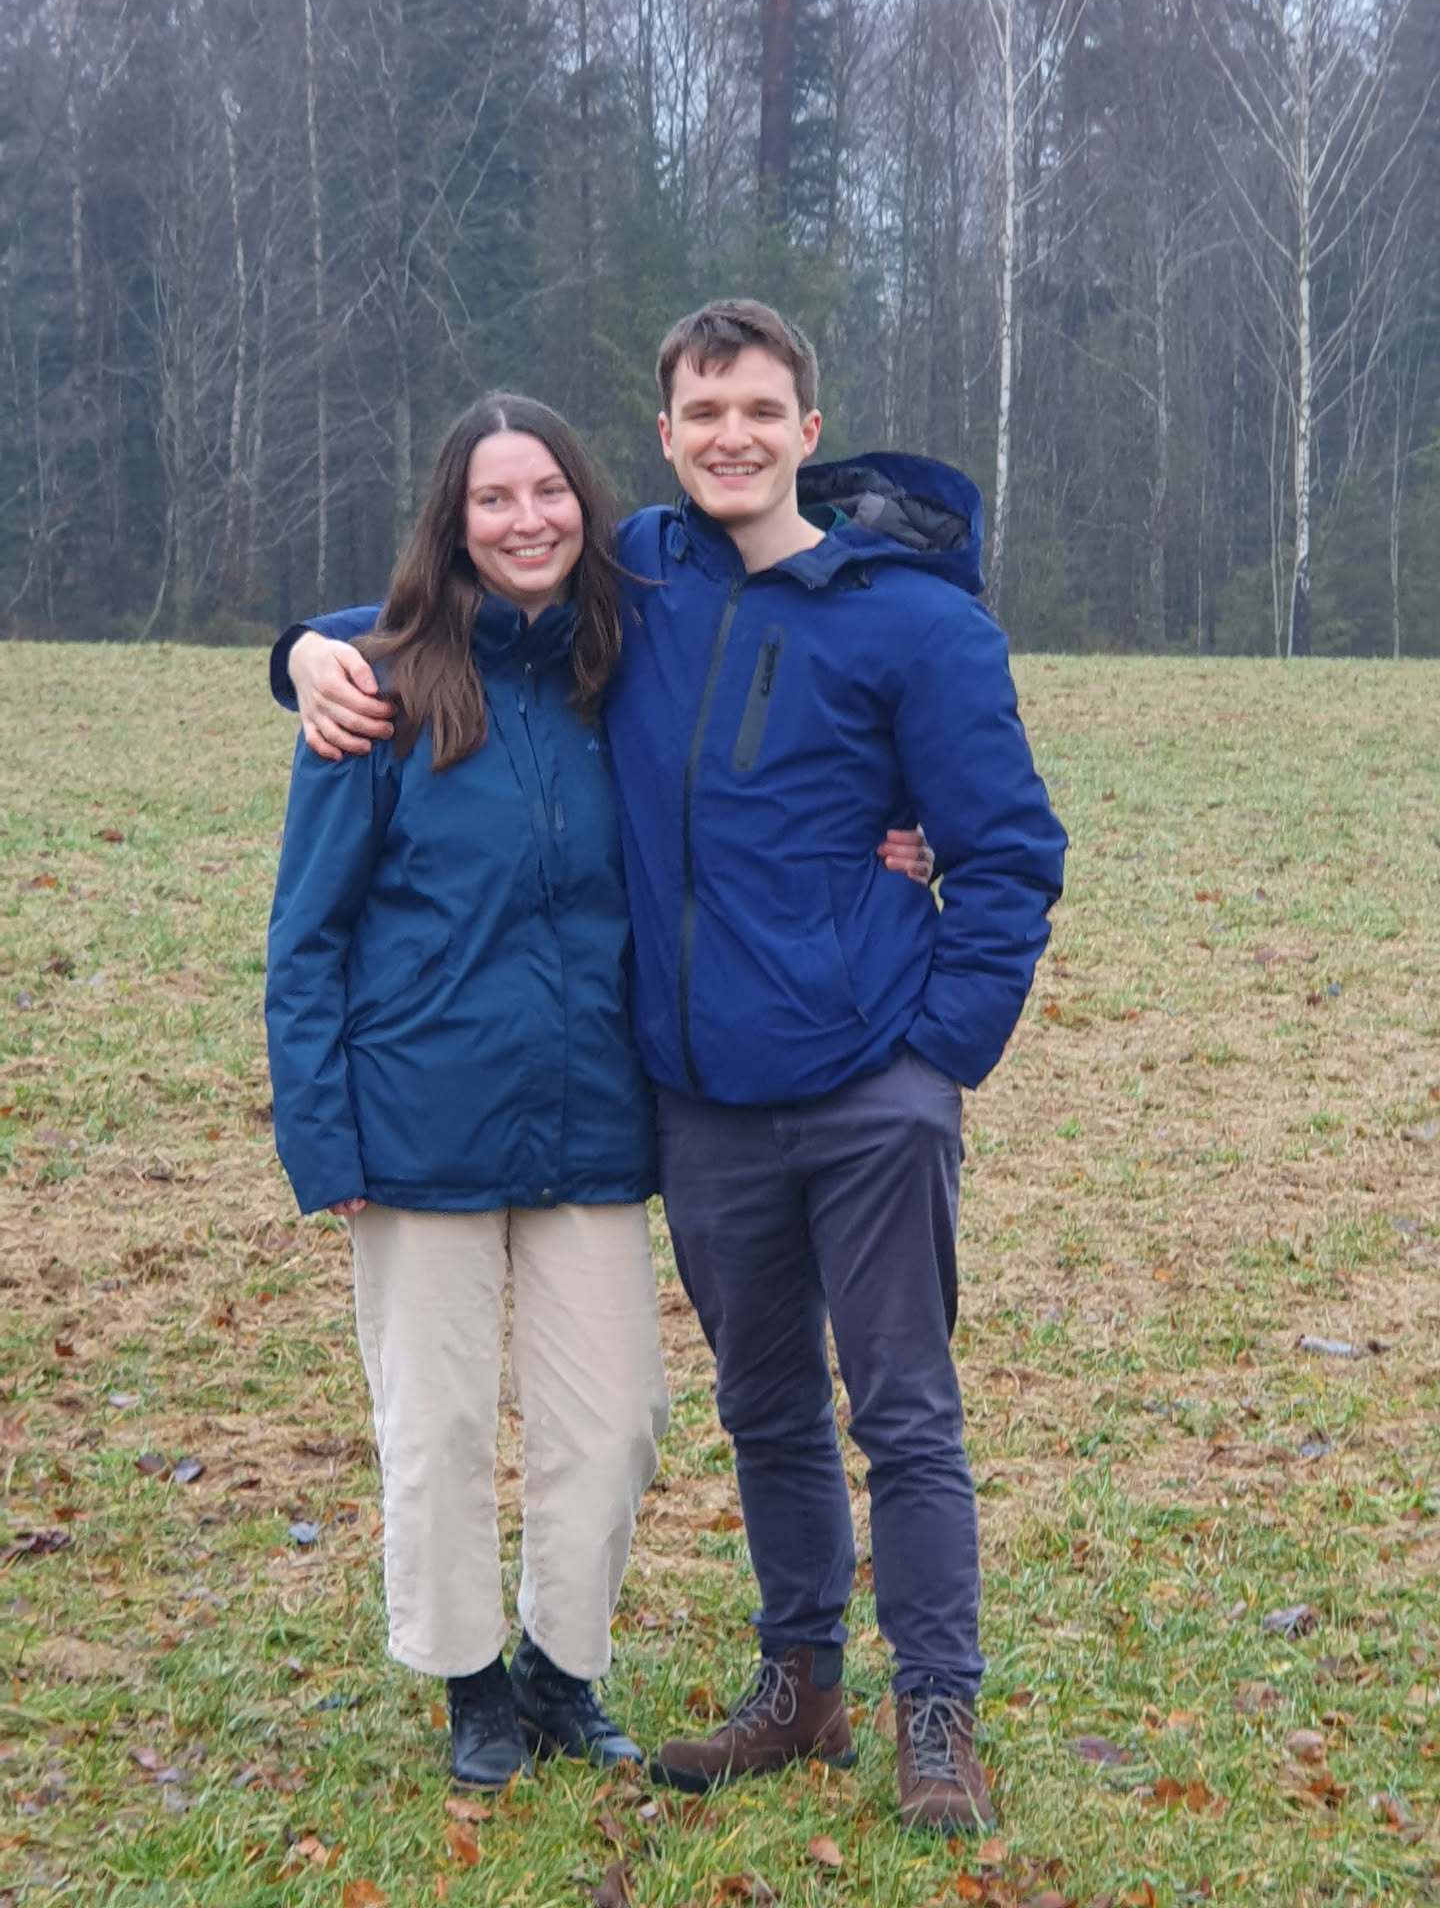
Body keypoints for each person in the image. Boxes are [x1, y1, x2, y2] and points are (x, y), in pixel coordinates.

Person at [275, 301, 1066, 1834]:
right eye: (704, 413)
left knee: (903, 1410)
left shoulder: (918, 624)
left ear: (809, 430)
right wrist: (300, 650)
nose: (732, 438)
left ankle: (937, 1712)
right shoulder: (635, 576)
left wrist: (938, 1051)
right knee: (764, 1411)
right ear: (664, 435)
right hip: (701, 1107)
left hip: (872, 1088)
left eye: (760, 410)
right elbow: (452, 594)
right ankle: (801, 1683)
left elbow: (1014, 856)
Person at [265, 394, 672, 1788]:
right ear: (453, 521)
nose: (525, 520)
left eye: (547, 492)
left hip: (593, 1113)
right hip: (416, 1123)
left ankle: (562, 1669)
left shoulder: (622, 668)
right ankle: (472, 1683)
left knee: (615, 1420)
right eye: (493, 499)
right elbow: (305, 937)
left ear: (585, 504)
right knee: (435, 1428)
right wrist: (323, 1140)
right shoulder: (374, 693)